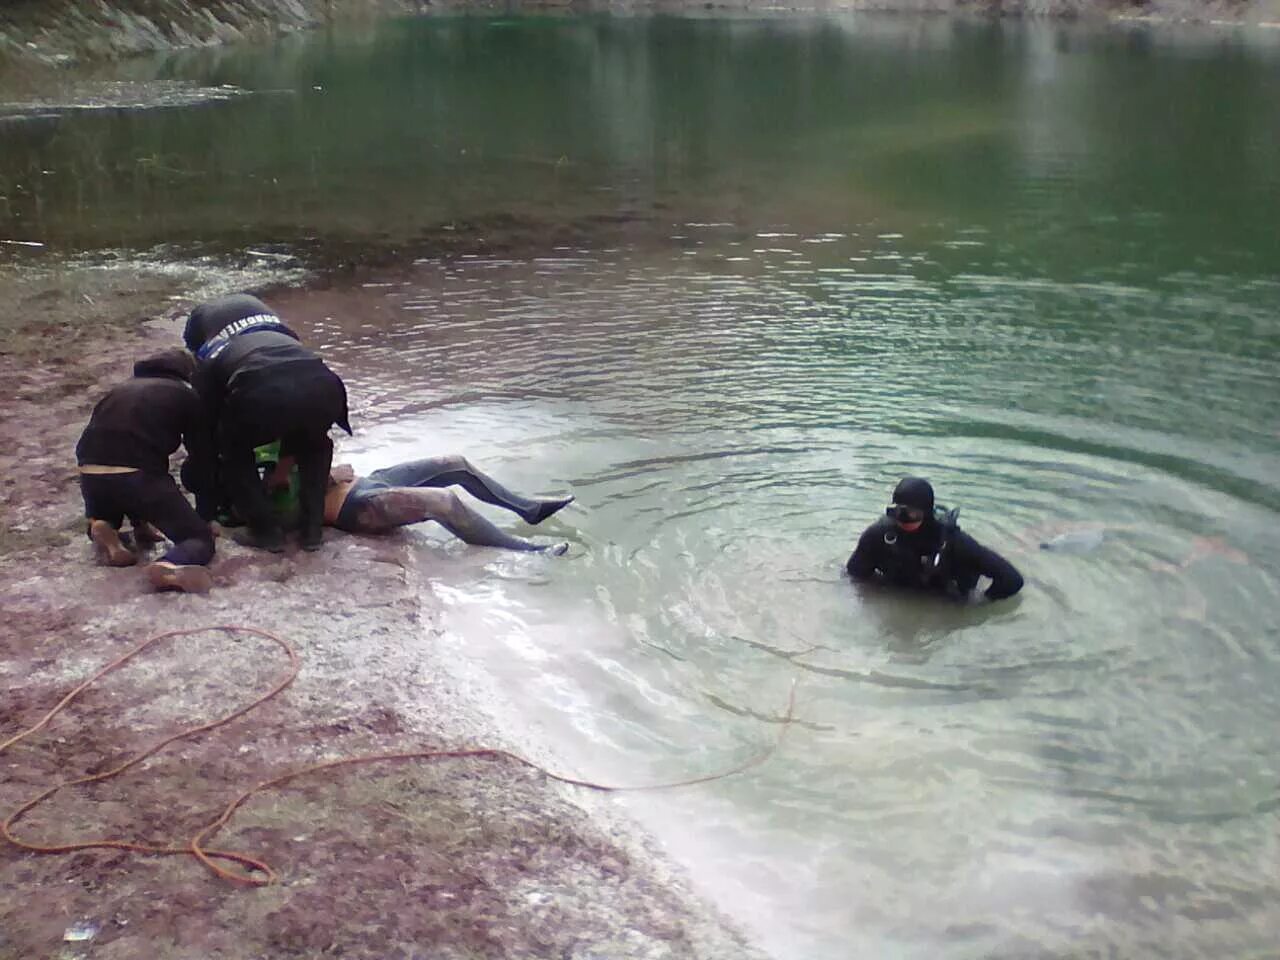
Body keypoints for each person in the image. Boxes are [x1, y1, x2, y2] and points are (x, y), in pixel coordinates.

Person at [184, 293, 350, 554]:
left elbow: (203, 431)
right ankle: (312, 532)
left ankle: (266, 533)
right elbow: (294, 402)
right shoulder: (284, 335)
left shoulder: (211, 356)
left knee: (234, 453)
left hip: (261, 388)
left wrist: (206, 505)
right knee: (315, 444)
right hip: (324, 384)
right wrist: (282, 468)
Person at [75, 348, 216, 593]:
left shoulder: (118, 392)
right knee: (198, 539)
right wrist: (207, 511)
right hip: (138, 476)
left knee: (125, 480)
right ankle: (169, 565)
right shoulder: (184, 394)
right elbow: (202, 454)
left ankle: (105, 525)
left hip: (90, 472)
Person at [306, 455, 574, 553]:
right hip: (355, 506)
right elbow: (279, 505)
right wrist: (325, 478)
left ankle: (529, 510)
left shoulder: (287, 412)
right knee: (443, 501)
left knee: (456, 463)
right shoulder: (265, 451)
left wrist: (330, 472)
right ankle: (527, 550)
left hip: (367, 482)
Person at [846, 477, 1023, 601]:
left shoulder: (954, 542)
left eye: (912, 514)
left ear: (927, 513)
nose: (904, 519)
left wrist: (979, 607)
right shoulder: (878, 536)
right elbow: (854, 576)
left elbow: (1011, 580)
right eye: (898, 512)